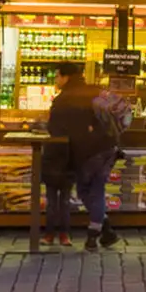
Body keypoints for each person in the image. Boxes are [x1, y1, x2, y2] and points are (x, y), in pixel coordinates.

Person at [45, 62, 119, 250]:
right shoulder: (96, 91)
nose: (56, 80)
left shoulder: (63, 100)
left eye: (57, 76)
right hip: (108, 148)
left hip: (87, 151)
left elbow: (54, 129)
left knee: (90, 191)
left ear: (66, 77)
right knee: (91, 190)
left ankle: (93, 235)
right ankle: (106, 231)